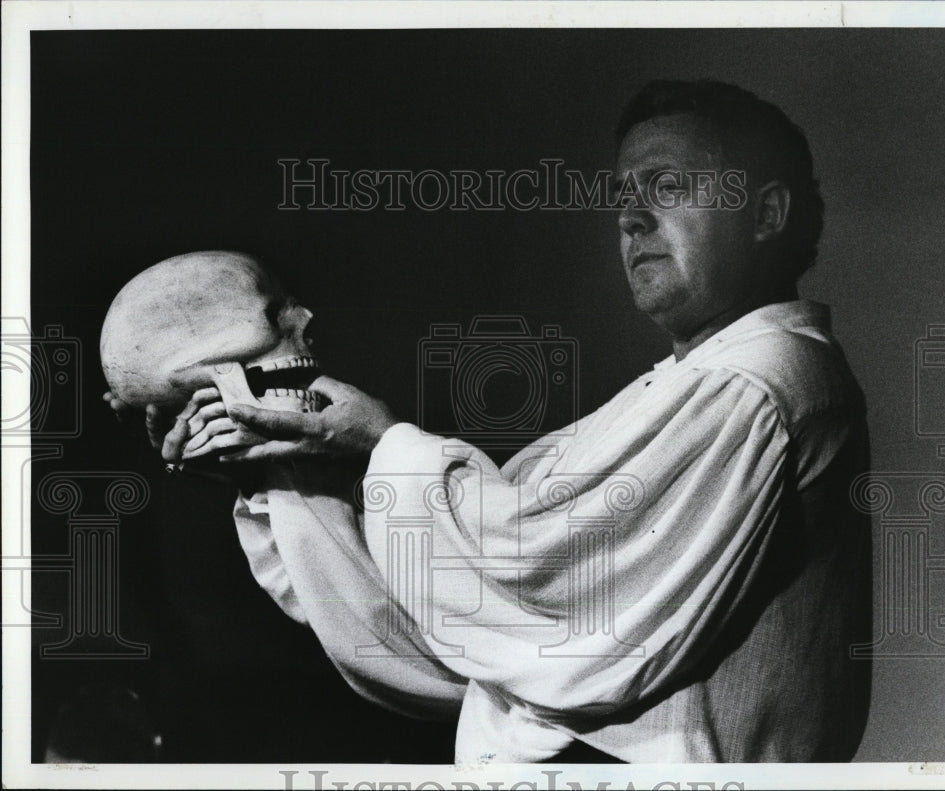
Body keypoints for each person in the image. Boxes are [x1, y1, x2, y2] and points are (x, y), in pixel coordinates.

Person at [109, 79, 872, 762]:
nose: (631, 217)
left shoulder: (761, 384)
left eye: (668, 186)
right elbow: (469, 634)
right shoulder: (688, 385)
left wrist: (374, 439)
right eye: (622, 196)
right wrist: (286, 469)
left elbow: (549, 608)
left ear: (767, 213)